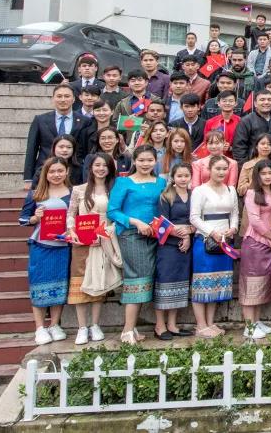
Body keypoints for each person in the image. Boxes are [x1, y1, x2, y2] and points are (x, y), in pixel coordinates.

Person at [107, 145, 167, 344]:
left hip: (155, 235)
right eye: (141, 160)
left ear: (155, 161)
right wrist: (135, 222)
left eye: (149, 160)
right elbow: (112, 211)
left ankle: (132, 329)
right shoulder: (124, 182)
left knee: (148, 278)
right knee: (137, 278)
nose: (145, 164)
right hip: (132, 234)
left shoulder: (161, 182)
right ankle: (127, 330)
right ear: (134, 161)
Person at [65, 152, 118, 344]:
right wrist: (72, 231)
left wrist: (105, 234)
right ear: (90, 167)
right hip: (82, 241)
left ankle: (95, 325)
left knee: (98, 281)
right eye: (97, 165)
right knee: (79, 282)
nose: (101, 169)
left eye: (105, 165)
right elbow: (71, 214)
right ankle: (82, 327)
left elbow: (116, 216)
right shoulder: (79, 190)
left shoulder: (115, 189)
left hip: (103, 240)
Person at [20, 158, 74, 345]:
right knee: (39, 284)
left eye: (60, 171)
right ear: (46, 173)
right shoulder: (36, 193)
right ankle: (40, 327)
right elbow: (23, 219)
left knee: (60, 285)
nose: (56, 175)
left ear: (67, 172)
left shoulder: (73, 193)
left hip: (63, 246)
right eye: (52, 171)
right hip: (41, 246)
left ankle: (55, 324)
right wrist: (35, 218)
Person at [189, 155, 239, 338]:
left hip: (225, 241)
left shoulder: (231, 190)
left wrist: (233, 228)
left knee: (217, 282)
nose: (221, 172)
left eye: (225, 169)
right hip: (205, 240)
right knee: (202, 282)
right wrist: (211, 232)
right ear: (209, 170)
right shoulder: (200, 191)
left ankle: (210, 323)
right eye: (218, 168)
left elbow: (234, 213)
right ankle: (200, 325)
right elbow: (194, 217)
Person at [240, 159, 271, 340]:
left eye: (270, 173)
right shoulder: (252, 193)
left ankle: (256, 321)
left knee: (262, 284)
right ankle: (249, 326)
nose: (267, 176)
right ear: (257, 175)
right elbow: (255, 220)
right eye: (263, 173)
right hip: (256, 243)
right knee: (251, 285)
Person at [152, 164, 194, 340]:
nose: (183, 179)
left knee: (180, 284)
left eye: (186, 176)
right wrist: (184, 235)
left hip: (186, 246)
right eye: (179, 176)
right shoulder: (166, 196)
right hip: (168, 245)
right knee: (164, 283)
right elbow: (162, 223)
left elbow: (196, 219)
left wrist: (189, 234)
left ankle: (172, 324)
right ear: (173, 177)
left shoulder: (193, 195)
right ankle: (159, 325)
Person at [24, 84, 91, 188]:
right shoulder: (40, 120)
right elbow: (31, 149)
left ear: (74, 99)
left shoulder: (85, 121)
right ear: (53, 99)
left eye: (67, 96)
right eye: (59, 96)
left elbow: (87, 150)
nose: (63, 100)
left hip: (75, 173)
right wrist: (28, 178)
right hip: (45, 171)